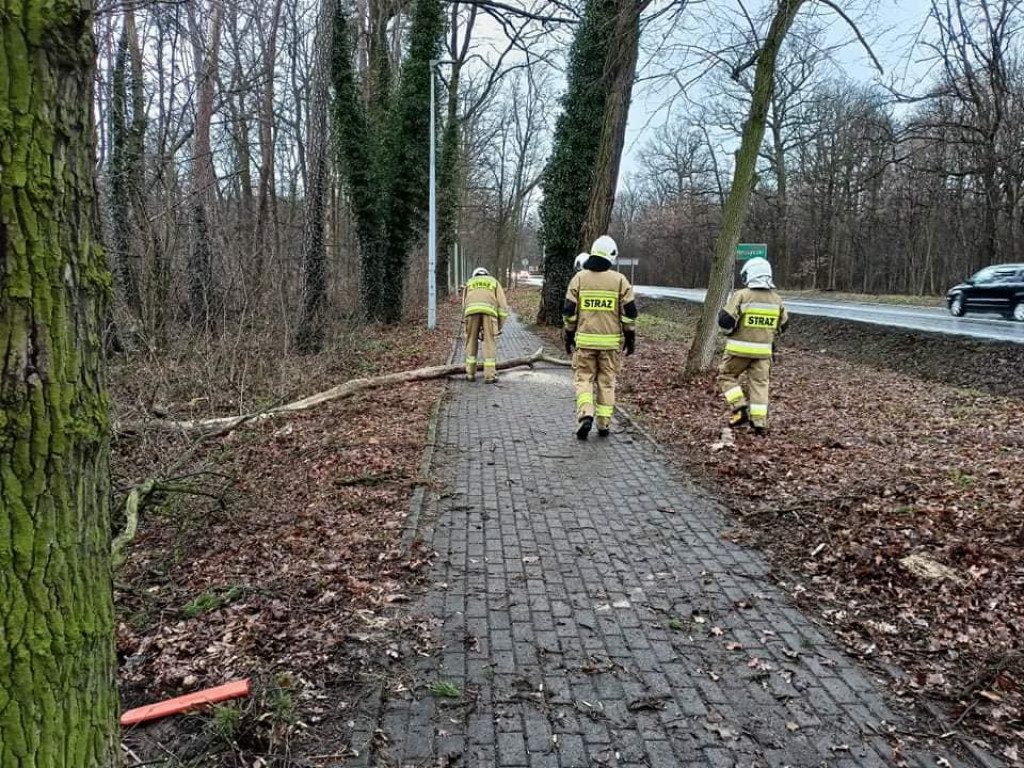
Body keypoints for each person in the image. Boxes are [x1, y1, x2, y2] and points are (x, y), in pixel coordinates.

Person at [563, 236, 638, 439]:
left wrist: (569, 334)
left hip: (585, 342)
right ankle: (604, 424)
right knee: (606, 382)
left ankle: (586, 413)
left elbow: (569, 310)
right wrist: (630, 337)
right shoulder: (620, 280)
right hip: (610, 345)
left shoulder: (579, 279)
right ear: (612, 255)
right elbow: (630, 312)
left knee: (583, 380)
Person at [717, 257, 789, 435]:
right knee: (760, 385)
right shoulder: (777, 300)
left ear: (750, 275)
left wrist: (730, 332)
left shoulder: (742, 295)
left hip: (738, 351)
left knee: (726, 377)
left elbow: (725, 322)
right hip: (763, 353)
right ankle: (759, 424)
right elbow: (784, 325)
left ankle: (740, 408)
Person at [463, 267, 509, 383]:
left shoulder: (469, 282)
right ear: (487, 274)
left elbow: (464, 304)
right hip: (489, 313)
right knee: (489, 343)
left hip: (471, 313)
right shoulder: (494, 282)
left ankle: (470, 374)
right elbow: (503, 306)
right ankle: (489, 376)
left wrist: (466, 324)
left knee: (471, 342)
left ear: (475, 275)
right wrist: (498, 326)